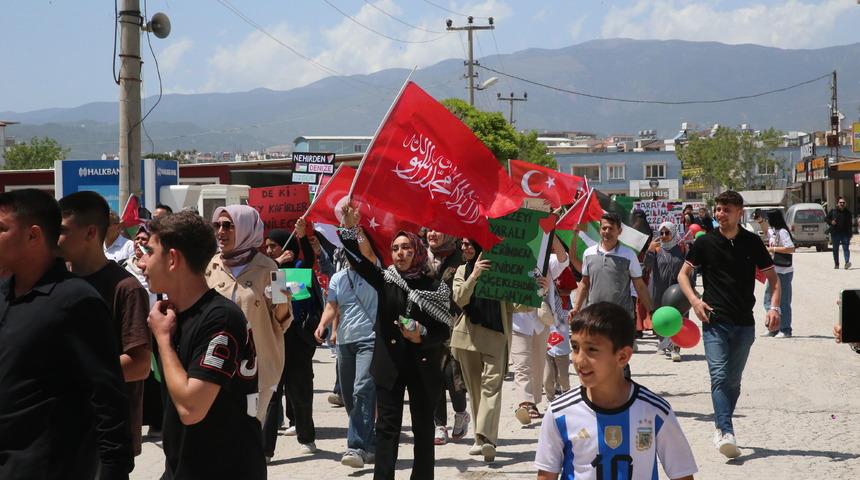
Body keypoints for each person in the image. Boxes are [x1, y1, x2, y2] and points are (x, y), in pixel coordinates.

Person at [0, 189, 133, 479]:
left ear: (33, 236)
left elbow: (108, 399)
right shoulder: (4, 295)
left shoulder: (75, 301)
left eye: (2, 229)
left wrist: (114, 472)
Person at [141, 210, 266, 479]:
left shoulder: (220, 318)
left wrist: (163, 341)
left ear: (173, 259)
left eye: (149, 252)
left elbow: (191, 409)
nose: (141, 263)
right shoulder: (171, 317)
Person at [339, 205, 450, 480]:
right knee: (386, 428)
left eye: (406, 248)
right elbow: (357, 260)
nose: (400, 254)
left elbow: (444, 328)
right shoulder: (386, 280)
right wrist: (349, 226)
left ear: (417, 251)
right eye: (396, 248)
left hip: (424, 365)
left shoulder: (435, 286)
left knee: (423, 429)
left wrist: (420, 334)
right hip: (389, 364)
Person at [534, 302, 697, 480]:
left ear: (622, 356)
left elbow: (682, 473)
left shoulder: (655, 411)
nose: (579, 359)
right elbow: (546, 475)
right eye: (575, 347)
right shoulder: (559, 413)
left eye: (592, 350)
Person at [677, 190, 781, 459]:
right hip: (714, 321)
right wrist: (695, 301)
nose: (720, 214)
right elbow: (683, 275)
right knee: (720, 376)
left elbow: (774, 279)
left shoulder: (752, 243)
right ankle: (726, 430)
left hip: (744, 324)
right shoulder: (705, 242)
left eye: (726, 210)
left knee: (733, 382)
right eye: (718, 209)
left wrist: (774, 307)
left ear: (739, 212)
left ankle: (721, 424)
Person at [57, 191, 152, 457]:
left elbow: (139, 365)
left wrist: (68, 371)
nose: (56, 237)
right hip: (59, 431)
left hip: (106, 436)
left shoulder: (125, 288)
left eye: (63, 230)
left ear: (90, 233)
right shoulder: (52, 281)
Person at [205, 205, 293, 460]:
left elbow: (283, 323)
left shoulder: (271, 269)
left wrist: (281, 300)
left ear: (245, 229)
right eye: (218, 225)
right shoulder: (210, 266)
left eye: (228, 225)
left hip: (256, 370)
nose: (221, 232)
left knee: (245, 439)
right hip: (215, 365)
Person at [450, 238, 532, 462]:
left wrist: (538, 291)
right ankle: (481, 439)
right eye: (462, 244)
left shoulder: (501, 271)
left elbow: (517, 304)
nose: (465, 247)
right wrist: (474, 276)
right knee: (475, 391)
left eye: (469, 244)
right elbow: (459, 298)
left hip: (496, 337)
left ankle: (487, 440)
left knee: (491, 388)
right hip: (467, 338)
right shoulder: (462, 270)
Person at [313, 254, 378, 468]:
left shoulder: (375, 272)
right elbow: (332, 305)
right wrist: (323, 324)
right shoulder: (338, 278)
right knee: (349, 395)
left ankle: (356, 447)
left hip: (369, 339)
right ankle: (371, 442)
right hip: (344, 342)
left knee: (362, 389)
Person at [571, 213, 653, 352]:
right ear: (599, 230)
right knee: (598, 356)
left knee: (619, 359)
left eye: (611, 228)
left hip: (620, 317)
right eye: (604, 228)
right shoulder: (588, 253)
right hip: (595, 316)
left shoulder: (628, 254)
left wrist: (651, 310)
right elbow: (585, 284)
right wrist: (576, 307)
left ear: (619, 231)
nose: (606, 232)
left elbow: (639, 286)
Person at [511, 236, 568, 424]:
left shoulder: (547, 261)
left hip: (540, 320)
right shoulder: (513, 259)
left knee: (537, 365)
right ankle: (525, 403)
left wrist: (551, 232)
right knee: (521, 365)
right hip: (517, 320)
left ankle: (533, 402)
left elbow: (563, 258)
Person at [425, 230, 469, 446]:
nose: (433, 234)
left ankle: (461, 412)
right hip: (428, 325)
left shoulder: (460, 257)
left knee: (453, 375)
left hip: (455, 324)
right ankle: (439, 425)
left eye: (439, 229)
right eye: (429, 229)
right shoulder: (419, 257)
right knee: (433, 374)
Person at [124, 223, 165, 436]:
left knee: (159, 377)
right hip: (134, 330)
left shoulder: (160, 266)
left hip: (158, 328)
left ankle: (159, 421)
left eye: (144, 239)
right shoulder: (125, 268)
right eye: (137, 239)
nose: (140, 243)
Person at [645, 221, 688, 361]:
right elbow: (647, 266)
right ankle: (663, 342)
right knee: (660, 317)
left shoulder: (681, 248)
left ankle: (676, 348)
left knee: (679, 317)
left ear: (673, 232)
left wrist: (691, 288)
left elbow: (690, 269)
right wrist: (650, 250)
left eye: (667, 232)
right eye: (661, 233)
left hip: (677, 290)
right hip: (658, 289)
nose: (664, 236)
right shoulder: (656, 249)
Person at [756, 209, 795, 338]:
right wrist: (760, 221)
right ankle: (773, 327)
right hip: (773, 271)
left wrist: (772, 249)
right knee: (768, 300)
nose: (767, 220)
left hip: (783, 272)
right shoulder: (774, 231)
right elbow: (767, 231)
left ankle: (785, 329)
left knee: (783, 301)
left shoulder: (783, 232)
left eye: (767, 218)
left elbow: (791, 248)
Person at [826, 196, 853, 269]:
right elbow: (826, 219)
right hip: (835, 234)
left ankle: (847, 262)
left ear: (845, 204)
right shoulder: (833, 211)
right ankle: (836, 264)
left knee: (846, 248)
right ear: (837, 204)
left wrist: (850, 234)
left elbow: (850, 224)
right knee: (835, 249)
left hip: (845, 234)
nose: (842, 204)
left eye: (843, 203)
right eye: (840, 202)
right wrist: (831, 222)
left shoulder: (848, 213)